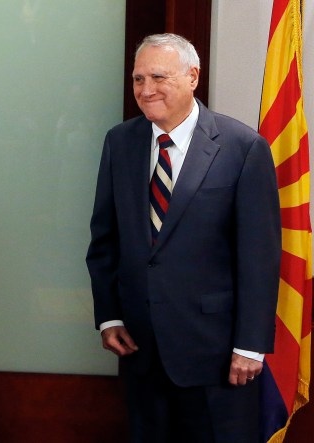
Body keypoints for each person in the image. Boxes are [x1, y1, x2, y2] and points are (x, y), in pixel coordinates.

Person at [86, 34, 280, 443]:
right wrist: (110, 316)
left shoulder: (242, 148)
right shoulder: (120, 142)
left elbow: (259, 257)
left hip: (217, 355)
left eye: (158, 76)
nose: (145, 89)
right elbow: (105, 240)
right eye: (138, 79)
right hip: (140, 349)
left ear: (193, 77)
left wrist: (251, 345)